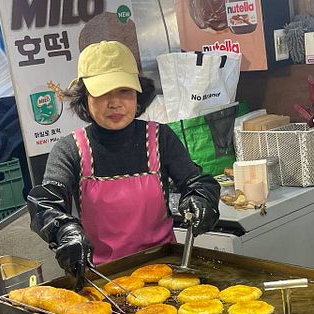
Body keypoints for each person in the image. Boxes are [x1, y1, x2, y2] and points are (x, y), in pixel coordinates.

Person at [28, 41, 220, 289]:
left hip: (165, 271)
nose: (115, 103)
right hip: (103, 279)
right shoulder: (70, 150)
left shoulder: (160, 138)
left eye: (125, 92)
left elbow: (196, 180)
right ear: (84, 97)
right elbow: (45, 204)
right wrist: (64, 230)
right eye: (103, 93)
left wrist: (201, 197)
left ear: (138, 94)